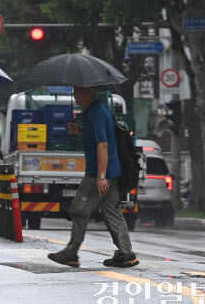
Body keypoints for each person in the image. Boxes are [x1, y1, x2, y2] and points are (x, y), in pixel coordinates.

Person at [47, 86, 138, 268]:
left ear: (88, 93)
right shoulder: (96, 109)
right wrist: (79, 130)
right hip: (111, 171)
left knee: (78, 209)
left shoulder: (95, 112)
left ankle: (71, 253)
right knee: (113, 213)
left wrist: (101, 176)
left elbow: (103, 145)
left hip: (100, 173)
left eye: (78, 92)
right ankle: (126, 253)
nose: (74, 96)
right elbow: (103, 135)